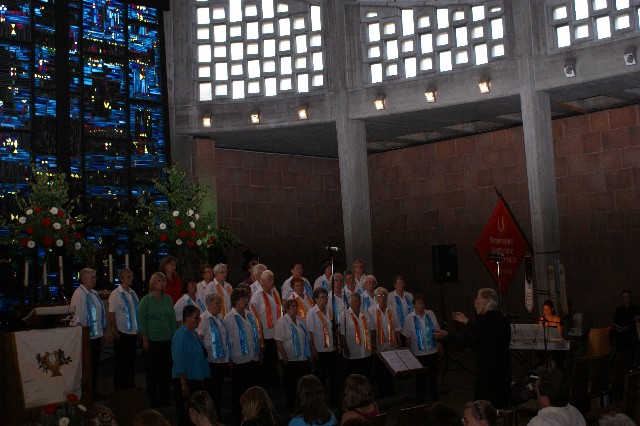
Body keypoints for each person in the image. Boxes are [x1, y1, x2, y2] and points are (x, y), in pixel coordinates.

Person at [451, 288, 512, 408]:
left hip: (489, 378)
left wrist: (446, 336)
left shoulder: (486, 322)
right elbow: (482, 332)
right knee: (501, 410)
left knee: (484, 411)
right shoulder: (501, 319)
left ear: (487, 301)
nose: (475, 302)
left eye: (477, 299)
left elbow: (466, 342)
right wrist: (467, 321)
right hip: (503, 374)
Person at [138, 271, 176, 408]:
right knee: (152, 372)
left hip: (166, 340)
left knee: (166, 371)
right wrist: (145, 338)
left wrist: (174, 337)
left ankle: (164, 399)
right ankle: (153, 400)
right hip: (152, 341)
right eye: (159, 281)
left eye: (163, 281)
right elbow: (142, 320)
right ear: (153, 283)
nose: (162, 283)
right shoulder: (146, 300)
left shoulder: (168, 299)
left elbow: (172, 319)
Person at [225, 287, 263, 423]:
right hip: (239, 360)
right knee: (239, 392)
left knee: (253, 390)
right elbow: (227, 341)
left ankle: (253, 415)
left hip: (253, 358)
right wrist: (229, 359)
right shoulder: (229, 318)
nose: (246, 301)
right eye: (243, 298)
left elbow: (255, 334)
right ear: (236, 301)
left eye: (246, 298)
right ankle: (239, 418)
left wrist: (259, 350)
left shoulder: (250, 314)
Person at [402, 293, 446, 402]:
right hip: (418, 353)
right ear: (414, 305)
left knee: (433, 376)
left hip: (432, 351)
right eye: (418, 303)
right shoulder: (409, 318)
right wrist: (409, 353)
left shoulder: (430, 314)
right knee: (420, 378)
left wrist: (440, 345)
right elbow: (408, 336)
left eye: (422, 303)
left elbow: (437, 331)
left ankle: (434, 397)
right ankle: (421, 399)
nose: (421, 305)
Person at [70, 267, 106, 400]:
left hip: (96, 335)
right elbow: (76, 316)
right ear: (83, 279)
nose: (94, 280)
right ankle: (86, 393)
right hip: (86, 336)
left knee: (94, 365)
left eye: (95, 277)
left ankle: (93, 390)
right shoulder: (79, 293)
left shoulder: (94, 293)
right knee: (87, 366)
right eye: (91, 277)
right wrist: (81, 334)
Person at [172, 304, 210, 426]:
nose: (199, 320)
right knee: (186, 415)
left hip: (195, 378)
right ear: (188, 318)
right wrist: (183, 383)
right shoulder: (181, 335)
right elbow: (179, 360)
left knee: (194, 415)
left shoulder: (193, 333)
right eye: (197, 318)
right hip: (186, 380)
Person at [276, 298, 312, 414]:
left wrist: (309, 353)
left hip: (303, 359)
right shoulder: (282, 321)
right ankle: (292, 409)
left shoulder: (300, 320)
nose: (295, 308)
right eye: (293, 306)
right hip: (290, 359)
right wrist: (284, 356)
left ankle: (304, 408)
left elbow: (307, 338)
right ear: (287, 308)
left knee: (303, 386)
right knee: (291, 387)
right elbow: (278, 341)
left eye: (296, 306)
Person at [198, 292, 230, 421]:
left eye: (220, 303)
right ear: (209, 305)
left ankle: (216, 415)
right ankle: (209, 417)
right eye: (217, 303)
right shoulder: (203, 319)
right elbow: (200, 339)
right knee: (211, 391)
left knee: (218, 391)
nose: (219, 306)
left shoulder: (220, 319)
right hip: (210, 361)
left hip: (221, 360)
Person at [307, 287, 341, 407]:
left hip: (332, 349)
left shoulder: (329, 310)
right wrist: (313, 348)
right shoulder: (312, 313)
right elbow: (310, 332)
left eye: (326, 297)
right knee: (320, 378)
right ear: (316, 299)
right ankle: (320, 402)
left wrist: (338, 343)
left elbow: (334, 329)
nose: (324, 299)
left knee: (334, 377)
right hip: (320, 350)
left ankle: (334, 400)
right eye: (322, 297)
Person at [107, 268, 140, 390]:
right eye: (128, 277)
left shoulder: (133, 293)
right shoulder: (116, 293)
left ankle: (130, 384)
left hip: (132, 332)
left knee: (131, 360)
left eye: (132, 276)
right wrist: (114, 329)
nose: (131, 279)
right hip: (122, 332)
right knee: (121, 360)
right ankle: (120, 387)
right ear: (121, 279)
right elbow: (111, 312)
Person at [249, 269, 282, 388]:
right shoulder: (257, 296)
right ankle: (266, 385)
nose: (272, 281)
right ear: (262, 281)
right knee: (267, 361)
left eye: (273, 279)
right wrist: (260, 335)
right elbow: (255, 318)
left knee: (274, 359)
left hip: (277, 332)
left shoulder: (275, 292)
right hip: (265, 334)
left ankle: (274, 382)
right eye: (269, 279)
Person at [370, 286, 400, 397]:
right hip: (379, 344)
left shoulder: (392, 309)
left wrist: (399, 342)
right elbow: (372, 329)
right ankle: (381, 390)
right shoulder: (372, 310)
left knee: (390, 368)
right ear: (376, 297)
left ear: (387, 297)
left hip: (391, 343)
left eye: (384, 295)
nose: (382, 297)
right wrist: (373, 344)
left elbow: (397, 327)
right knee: (379, 368)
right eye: (379, 295)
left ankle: (390, 389)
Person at [340, 293, 374, 377]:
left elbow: (372, 329)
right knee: (353, 376)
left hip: (366, 351)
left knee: (366, 375)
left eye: (359, 301)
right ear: (350, 303)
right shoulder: (344, 315)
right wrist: (345, 347)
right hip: (352, 352)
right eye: (355, 301)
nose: (357, 303)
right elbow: (341, 334)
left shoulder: (366, 313)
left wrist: (373, 345)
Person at [610, 290, 640, 382]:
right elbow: (615, 321)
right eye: (624, 296)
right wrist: (617, 328)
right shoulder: (619, 310)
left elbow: (636, 323)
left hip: (630, 337)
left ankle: (630, 377)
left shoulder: (635, 309)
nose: (626, 298)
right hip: (621, 338)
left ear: (630, 297)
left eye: (627, 296)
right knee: (619, 357)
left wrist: (628, 327)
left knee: (630, 358)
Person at [387, 276, 413, 341]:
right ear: (394, 285)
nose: (401, 285)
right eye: (398, 283)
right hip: (397, 329)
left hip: (410, 327)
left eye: (402, 283)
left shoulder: (409, 295)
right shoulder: (390, 296)